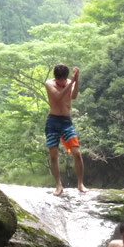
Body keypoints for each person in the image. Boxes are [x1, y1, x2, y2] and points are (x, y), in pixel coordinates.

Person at [45, 64, 88, 196]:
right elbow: (58, 97)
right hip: (52, 121)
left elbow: (73, 96)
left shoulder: (69, 82)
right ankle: (58, 185)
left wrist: (77, 79)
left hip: (66, 122)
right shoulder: (49, 84)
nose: (62, 82)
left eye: (64, 80)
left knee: (77, 152)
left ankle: (80, 184)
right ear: (55, 77)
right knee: (54, 155)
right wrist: (72, 82)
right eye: (59, 80)